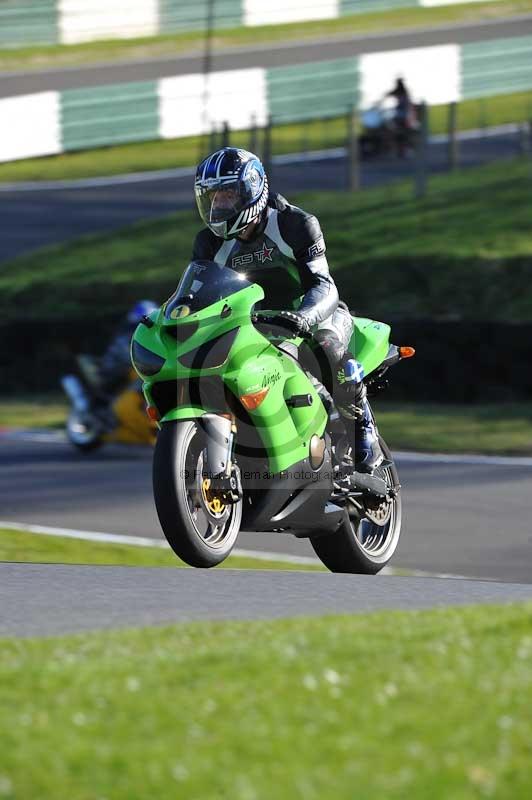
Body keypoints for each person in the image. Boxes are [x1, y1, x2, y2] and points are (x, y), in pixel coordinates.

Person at [192, 147, 383, 473]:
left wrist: (303, 317)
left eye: (227, 195)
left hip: (312, 314)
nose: (219, 206)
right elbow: (200, 296)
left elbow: (324, 285)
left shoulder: (295, 224)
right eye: (213, 197)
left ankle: (362, 425)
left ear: (251, 189)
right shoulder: (208, 243)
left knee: (325, 342)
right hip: (251, 327)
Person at [386, 77, 417, 157]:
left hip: (404, 115)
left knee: (401, 132)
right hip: (402, 115)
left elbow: (407, 106)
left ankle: (405, 149)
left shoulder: (403, 91)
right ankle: (401, 148)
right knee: (398, 131)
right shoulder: (402, 91)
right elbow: (389, 94)